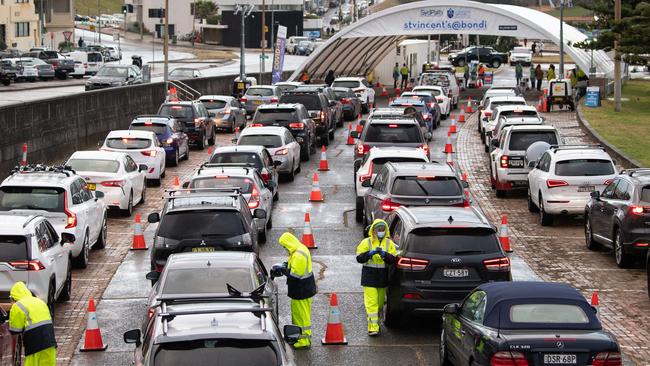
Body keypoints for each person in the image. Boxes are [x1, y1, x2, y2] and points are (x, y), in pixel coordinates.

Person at [273, 233, 317, 349]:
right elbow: (294, 267)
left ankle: (303, 341)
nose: (285, 249)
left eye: (284, 246)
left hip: (301, 290)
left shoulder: (298, 254)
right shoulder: (297, 250)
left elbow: (295, 275)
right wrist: (285, 265)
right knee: (300, 315)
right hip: (303, 289)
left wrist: (283, 270)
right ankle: (301, 337)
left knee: (302, 316)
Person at [356, 219, 397, 336]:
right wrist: (369, 254)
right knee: (371, 303)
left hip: (382, 277)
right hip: (369, 276)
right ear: (373, 230)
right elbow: (359, 258)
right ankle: (373, 328)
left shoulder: (389, 244)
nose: (381, 231)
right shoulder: (366, 242)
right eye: (378, 229)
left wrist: (384, 255)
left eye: (383, 229)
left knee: (379, 304)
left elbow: (393, 259)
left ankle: (376, 322)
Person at [9, 282, 56, 366]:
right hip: (50, 340)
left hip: (34, 343)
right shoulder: (39, 301)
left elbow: (15, 330)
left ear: (14, 297)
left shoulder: (18, 305)